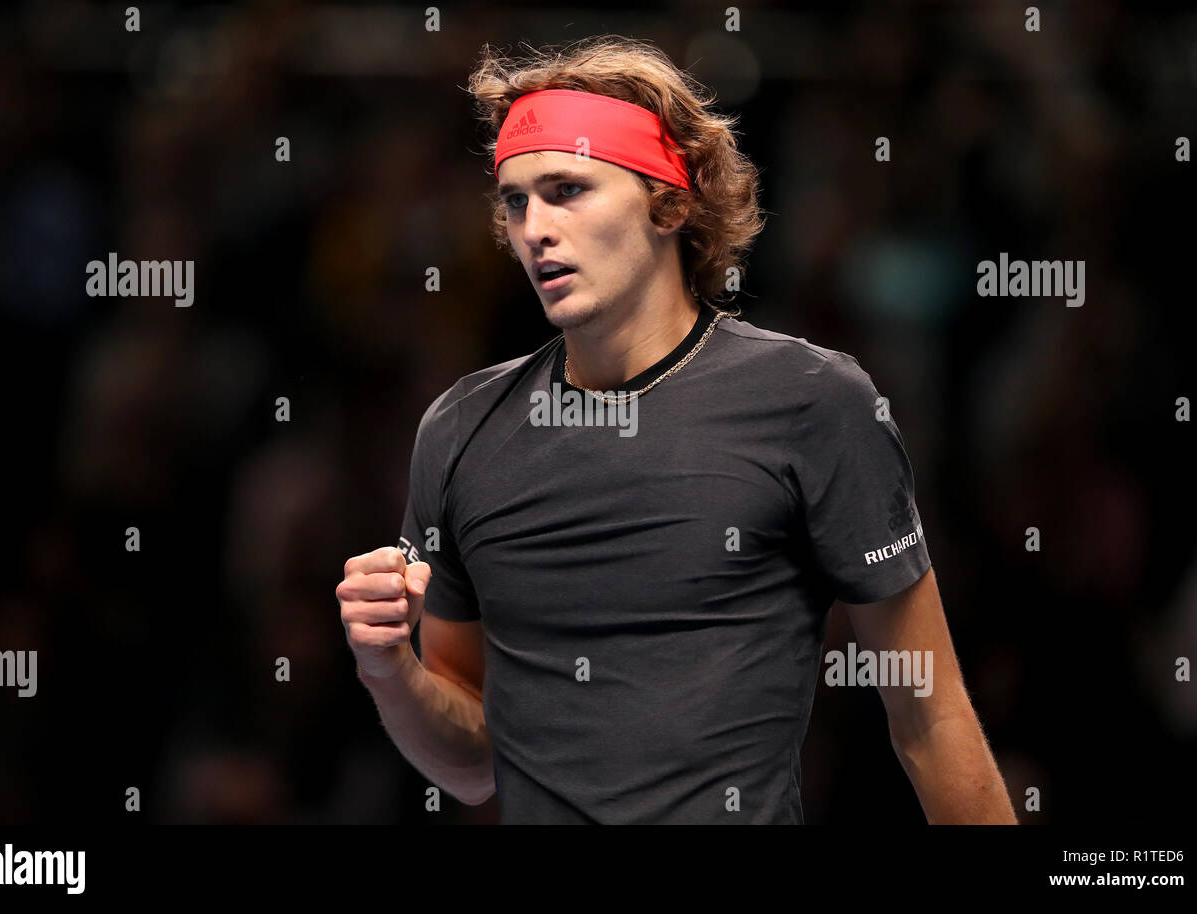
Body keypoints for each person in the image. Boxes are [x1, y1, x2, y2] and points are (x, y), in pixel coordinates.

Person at [337, 36, 1016, 824]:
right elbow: (471, 764)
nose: (534, 229)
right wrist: (387, 668)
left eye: (567, 189)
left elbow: (930, 718)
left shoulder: (813, 400)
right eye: (516, 199)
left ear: (670, 201)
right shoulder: (460, 428)